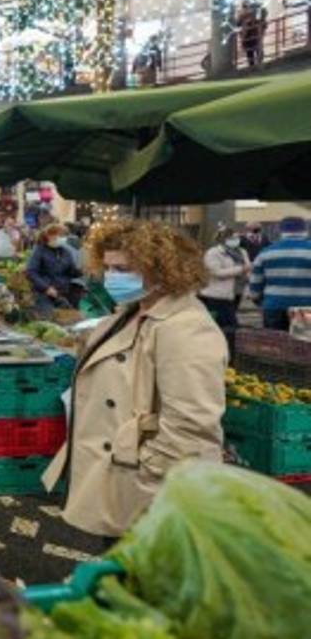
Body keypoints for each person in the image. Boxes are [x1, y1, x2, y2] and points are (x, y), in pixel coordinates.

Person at [41, 220, 226, 539]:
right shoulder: (130, 314)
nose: (113, 277)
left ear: (164, 269)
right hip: (120, 473)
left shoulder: (185, 328)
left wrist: (146, 473)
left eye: (125, 268)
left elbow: (191, 427)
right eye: (109, 268)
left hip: (150, 490)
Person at [249, 216, 311, 331]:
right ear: (305, 230)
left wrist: (260, 301)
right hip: (307, 308)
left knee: (276, 346)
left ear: (281, 231)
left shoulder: (266, 252)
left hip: (274, 307)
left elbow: (255, 284)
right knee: (305, 345)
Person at [200, 228, 250, 341]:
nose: (236, 240)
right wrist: (240, 269)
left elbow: (248, 268)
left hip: (236, 292)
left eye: (237, 237)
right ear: (223, 239)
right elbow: (216, 273)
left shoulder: (242, 251)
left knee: (229, 325)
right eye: (232, 238)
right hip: (217, 295)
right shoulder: (213, 253)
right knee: (228, 326)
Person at [26, 224, 82, 318]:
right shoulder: (39, 251)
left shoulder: (65, 252)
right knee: (48, 318)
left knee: (66, 319)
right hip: (43, 294)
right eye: (60, 235)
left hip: (62, 293)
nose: (62, 239)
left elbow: (70, 271)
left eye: (64, 236)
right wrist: (46, 288)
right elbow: (31, 272)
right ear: (49, 235)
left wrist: (82, 271)